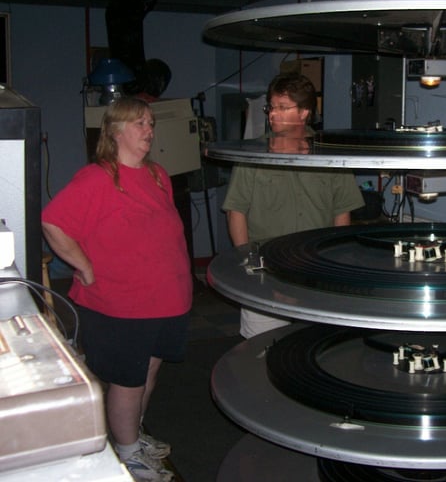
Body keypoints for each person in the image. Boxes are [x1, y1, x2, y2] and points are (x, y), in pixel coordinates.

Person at [42, 97, 192, 482]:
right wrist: (85, 267)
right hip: (121, 307)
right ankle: (126, 453)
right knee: (128, 381)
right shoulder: (97, 177)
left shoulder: (158, 174)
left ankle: (132, 434)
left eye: (150, 122)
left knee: (150, 372)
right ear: (115, 131)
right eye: (140, 123)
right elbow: (53, 223)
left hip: (167, 300)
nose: (150, 130)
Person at [222, 72, 364, 338]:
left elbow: (341, 213)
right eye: (271, 107)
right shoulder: (252, 155)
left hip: (315, 270)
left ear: (304, 113)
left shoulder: (330, 156)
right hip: (267, 271)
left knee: (314, 351)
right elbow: (236, 212)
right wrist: (250, 266)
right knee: (261, 354)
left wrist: (334, 266)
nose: (273, 115)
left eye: (282, 107)